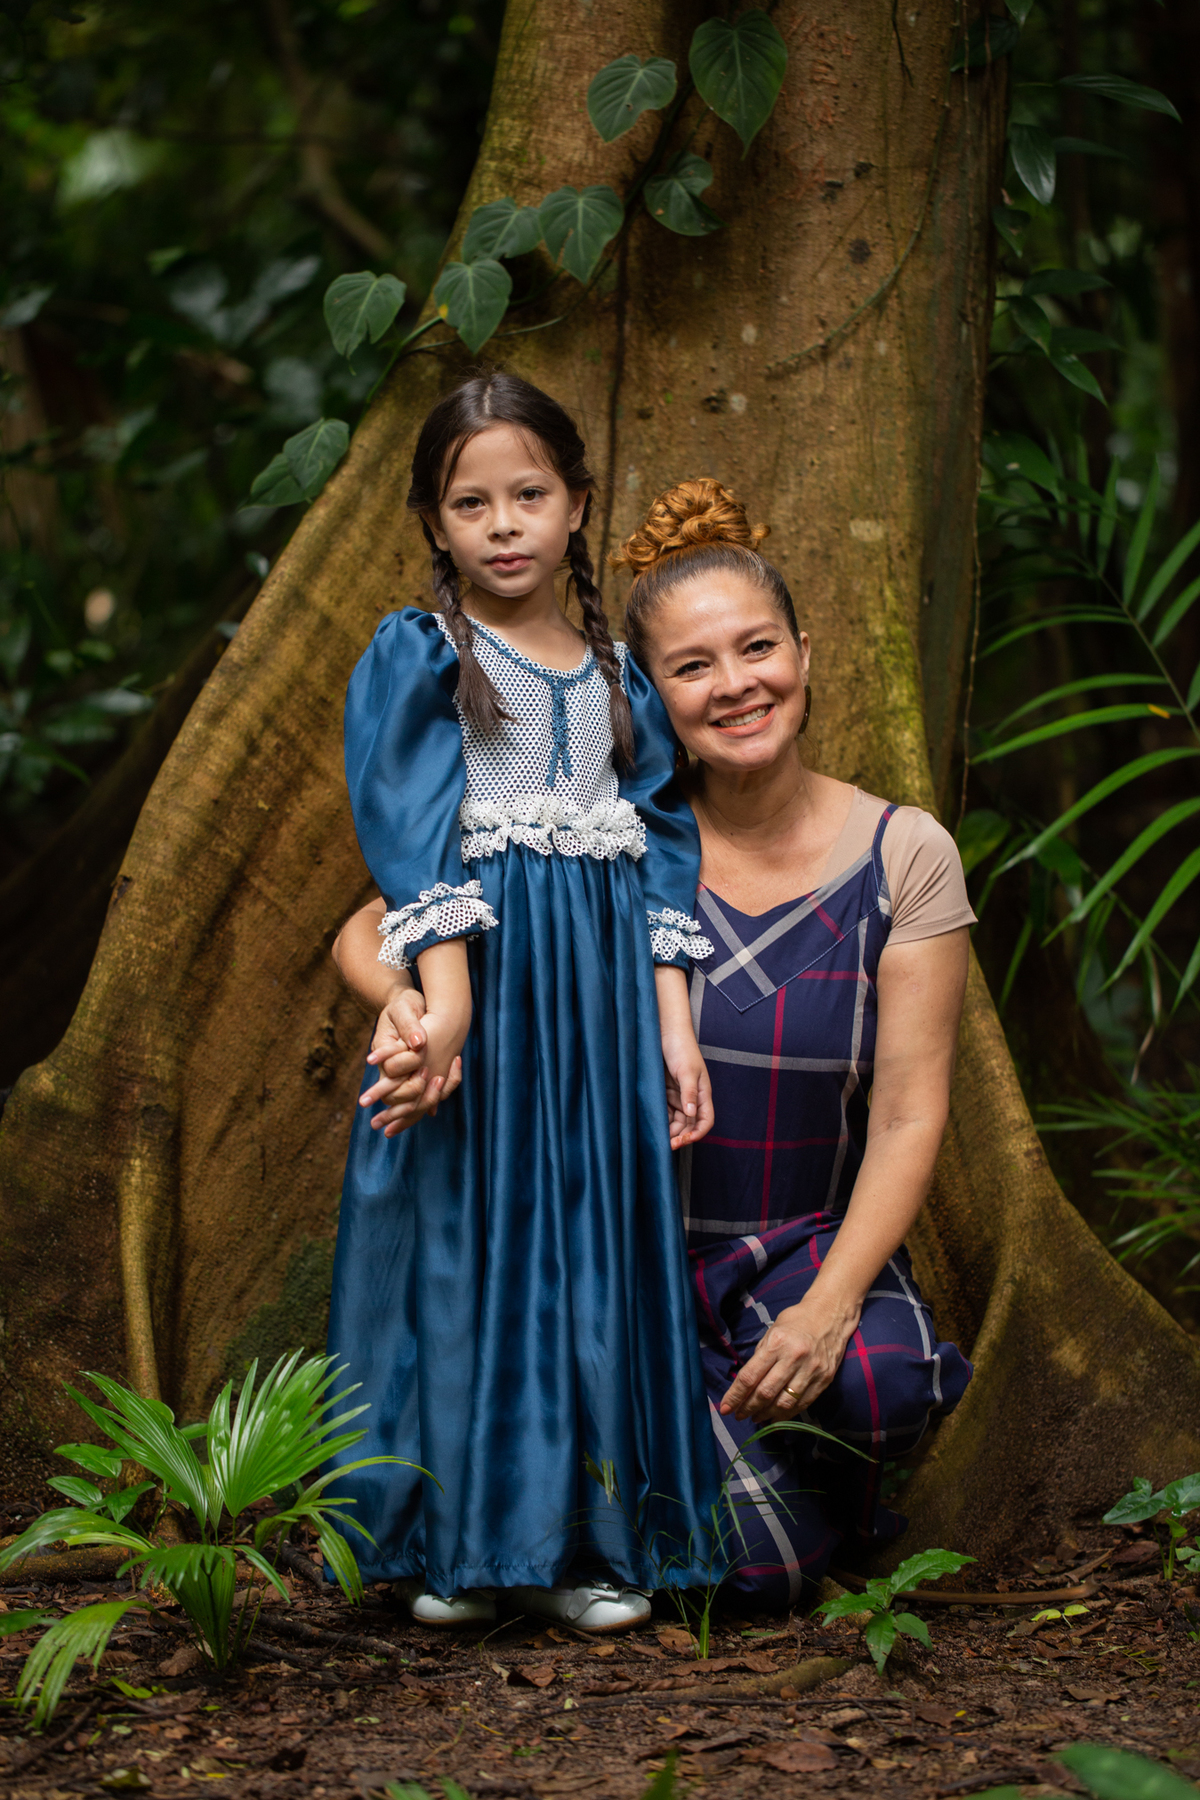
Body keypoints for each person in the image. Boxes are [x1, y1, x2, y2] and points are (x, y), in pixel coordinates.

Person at [343, 477, 975, 1614]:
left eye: (758, 649)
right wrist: (408, 1002)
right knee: (749, 1570)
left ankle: (813, 1461)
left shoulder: (904, 852)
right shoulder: (607, 844)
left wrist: (829, 1306)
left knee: (879, 1380)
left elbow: (911, 1115)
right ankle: (714, 1483)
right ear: (648, 696)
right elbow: (371, 920)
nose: (735, 686)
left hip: (798, 1253)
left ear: (805, 652)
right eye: (692, 668)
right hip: (625, 1266)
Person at [327, 373, 724, 1636]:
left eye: (529, 495)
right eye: (470, 502)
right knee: (467, 1247)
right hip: (488, 989)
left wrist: (672, 1023)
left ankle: (590, 1543)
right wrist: (444, 1007)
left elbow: (663, 843)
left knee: (592, 1248)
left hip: (599, 1008)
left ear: (577, 506)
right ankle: (457, 1539)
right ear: (435, 523)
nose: (503, 524)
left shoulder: (619, 672)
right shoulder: (424, 653)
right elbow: (412, 843)